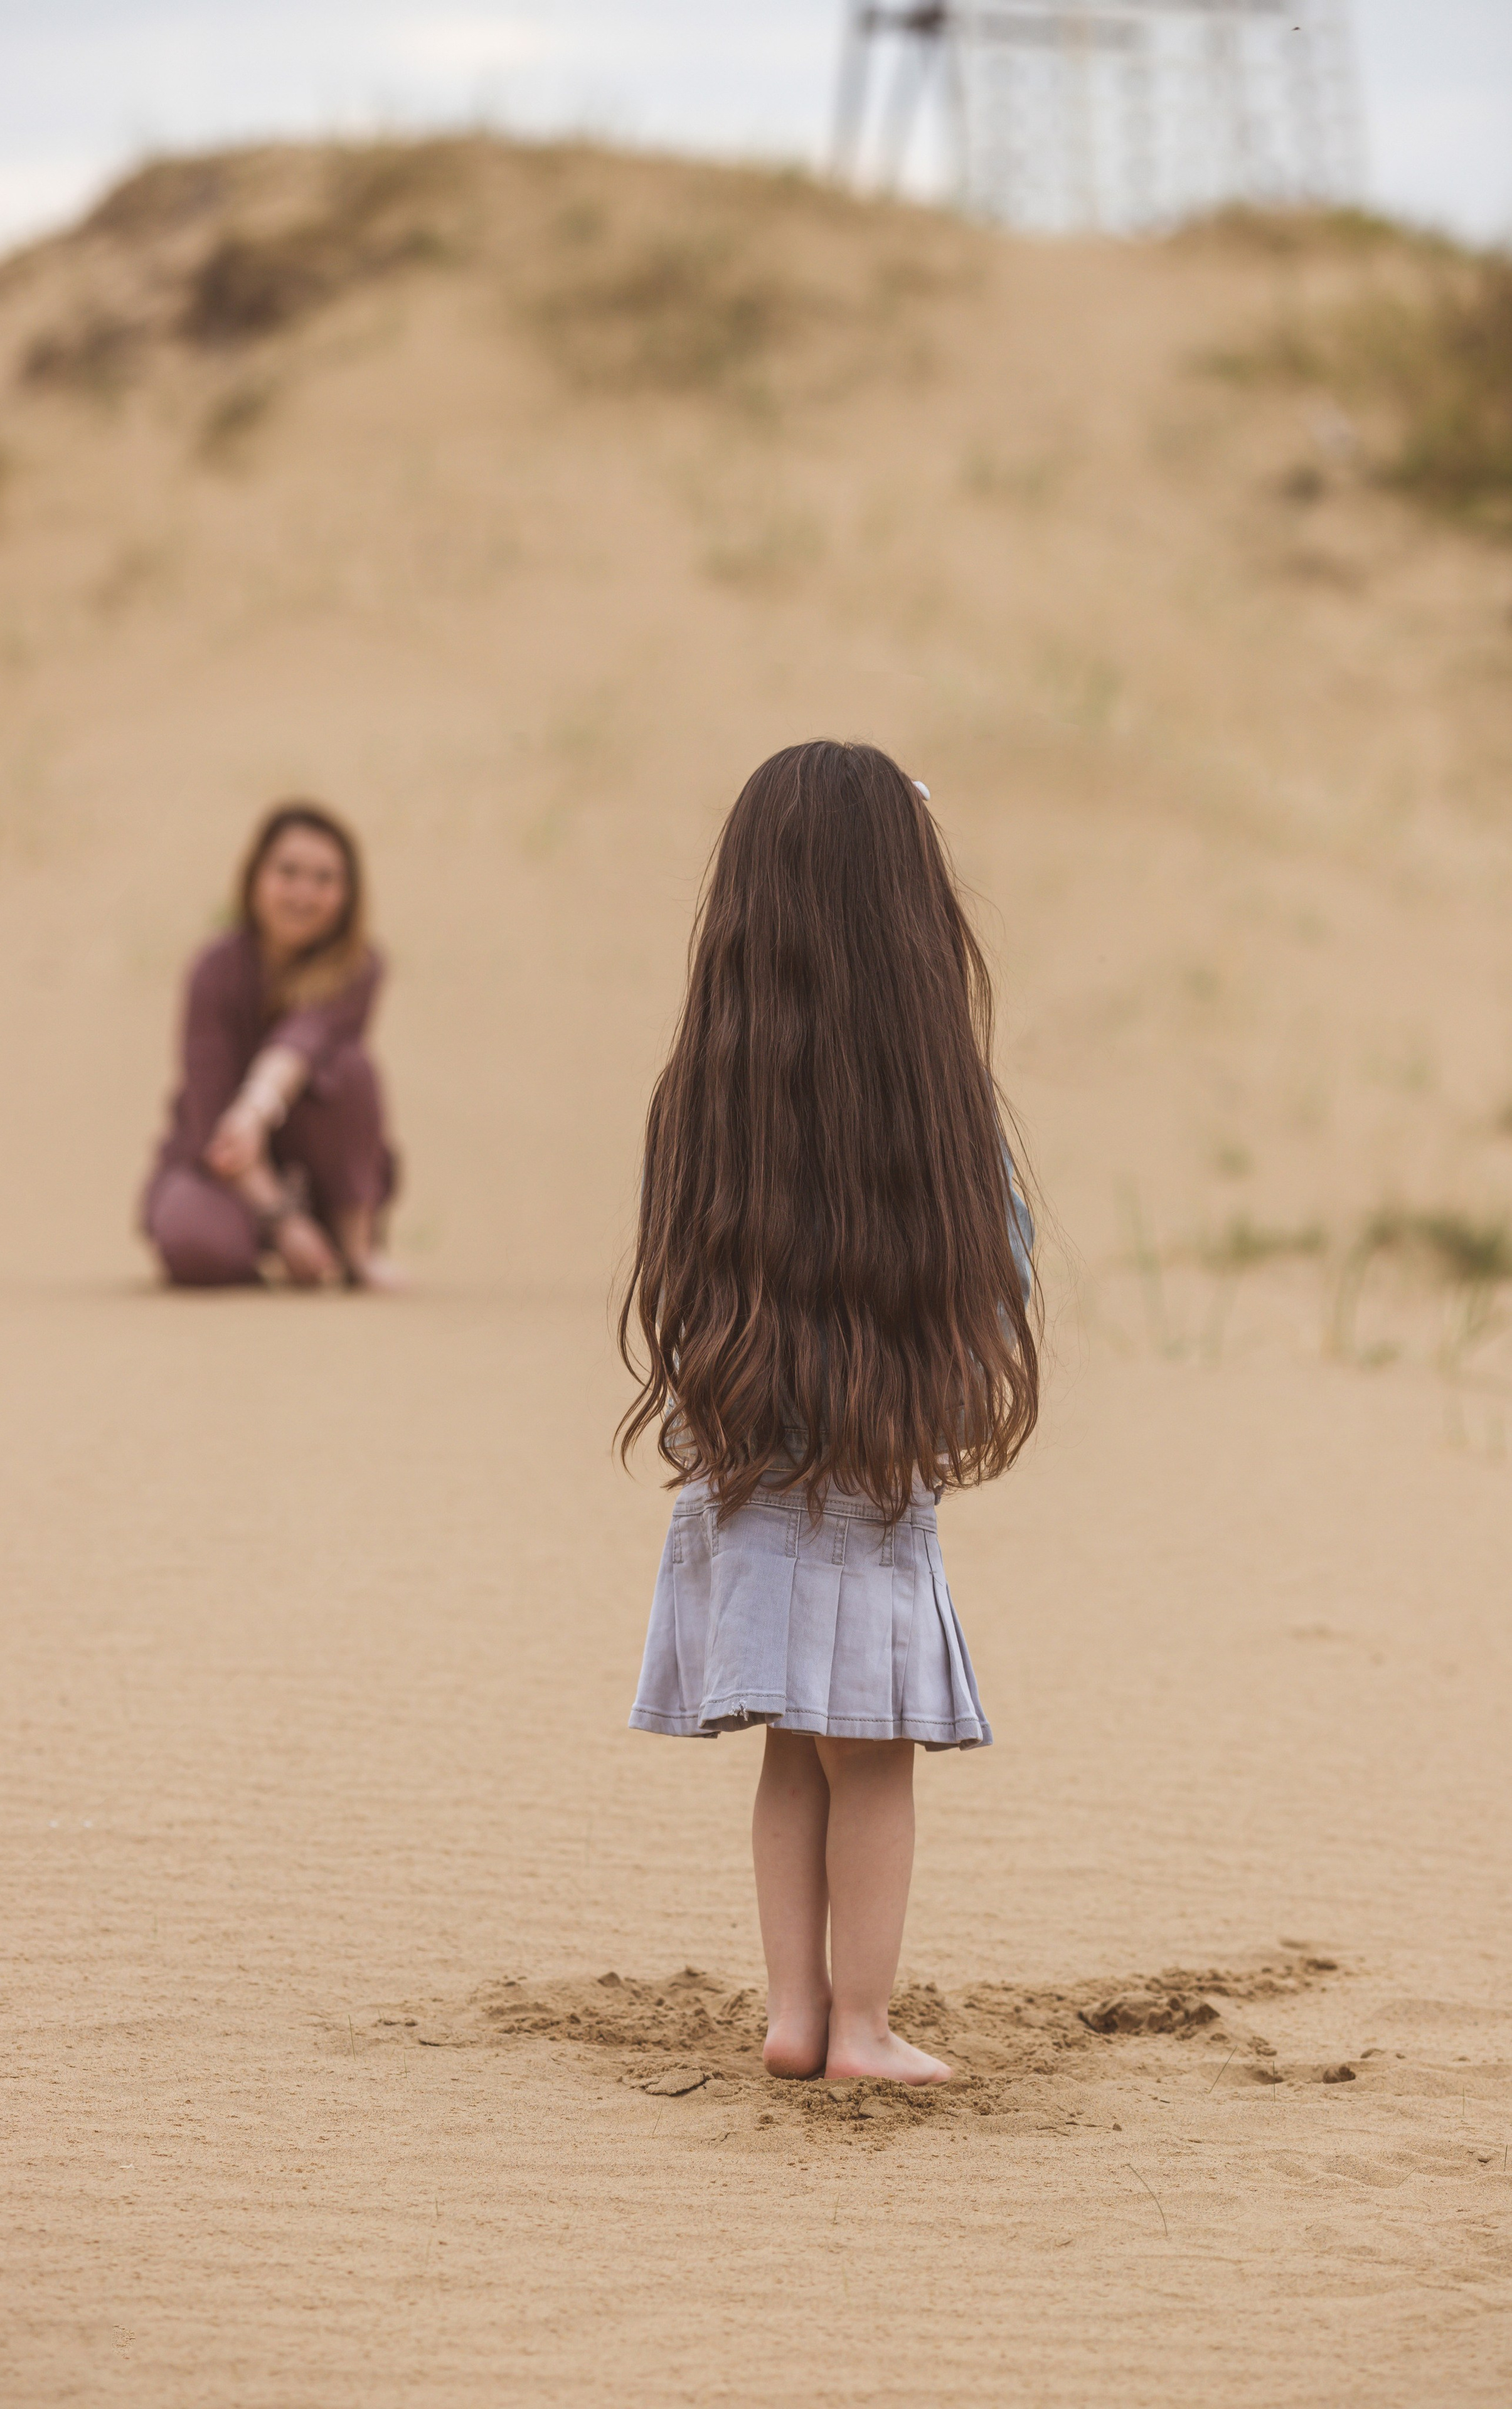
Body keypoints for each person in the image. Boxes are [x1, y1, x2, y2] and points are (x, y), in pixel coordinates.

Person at [620, 741, 1039, 2085]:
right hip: (870, 1483)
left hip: (745, 1472)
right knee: (872, 1763)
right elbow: (997, 1274)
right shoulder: (930, 1106)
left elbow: (679, 1272)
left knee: (792, 1758)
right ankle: (859, 2024)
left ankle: (793, 2013)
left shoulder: (710, 1094)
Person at [141, 800, 400, 1290]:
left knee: (351, 1069)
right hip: (225, 1165)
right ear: (255, 877)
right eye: (288, 872)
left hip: (314, 1159)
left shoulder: (359, 967)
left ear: (347, 895)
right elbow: (208, 1110)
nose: (304, 893)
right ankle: (268, 1243)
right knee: (193, 1241)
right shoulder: (213, 968)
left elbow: (303, 1039)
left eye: (325, 879)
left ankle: (356, 1247)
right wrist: (282, 1220)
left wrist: (255, 1111)